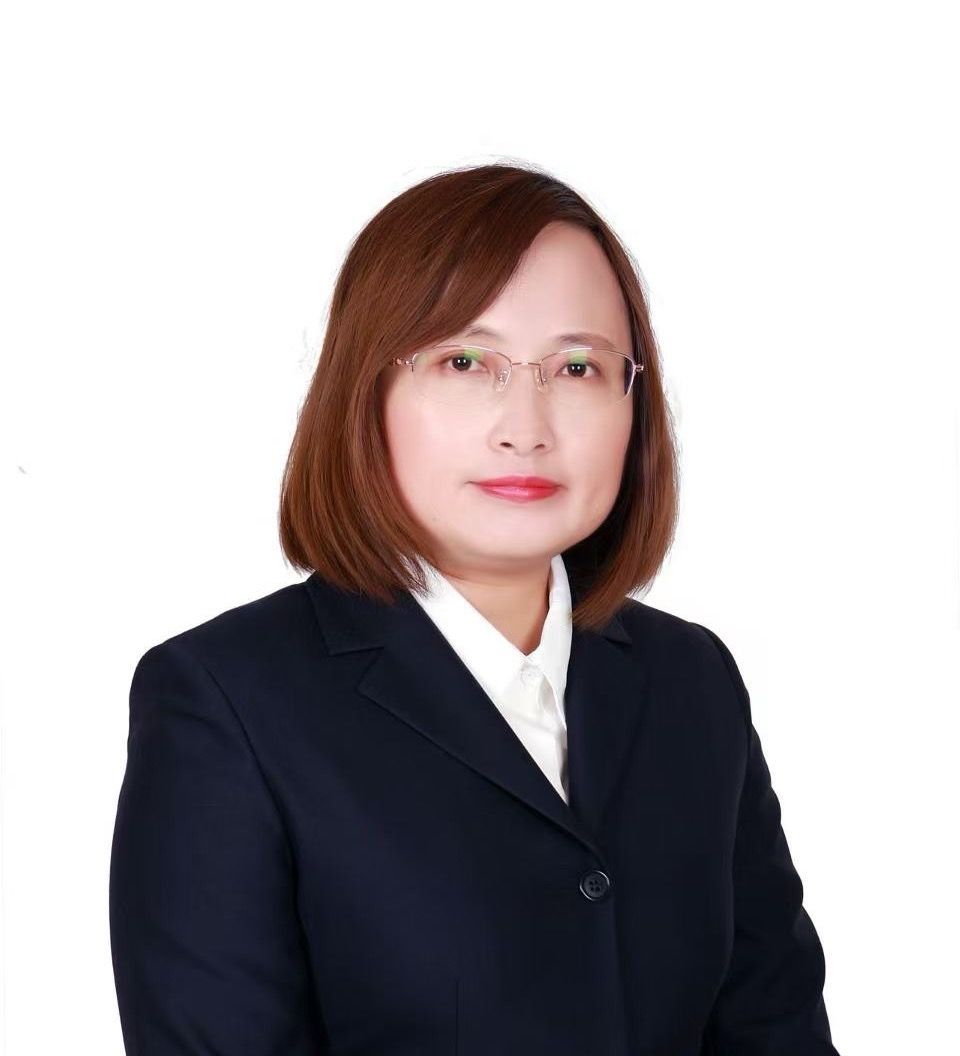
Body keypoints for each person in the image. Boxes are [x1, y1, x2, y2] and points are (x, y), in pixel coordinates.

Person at [109, 161, 841, 1055]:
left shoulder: (693, 681)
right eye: (465, 362)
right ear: (366, 393)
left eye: (577, 367)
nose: (526, 427)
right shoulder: (225, 702)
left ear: (633, 404)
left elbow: (776, 1029)